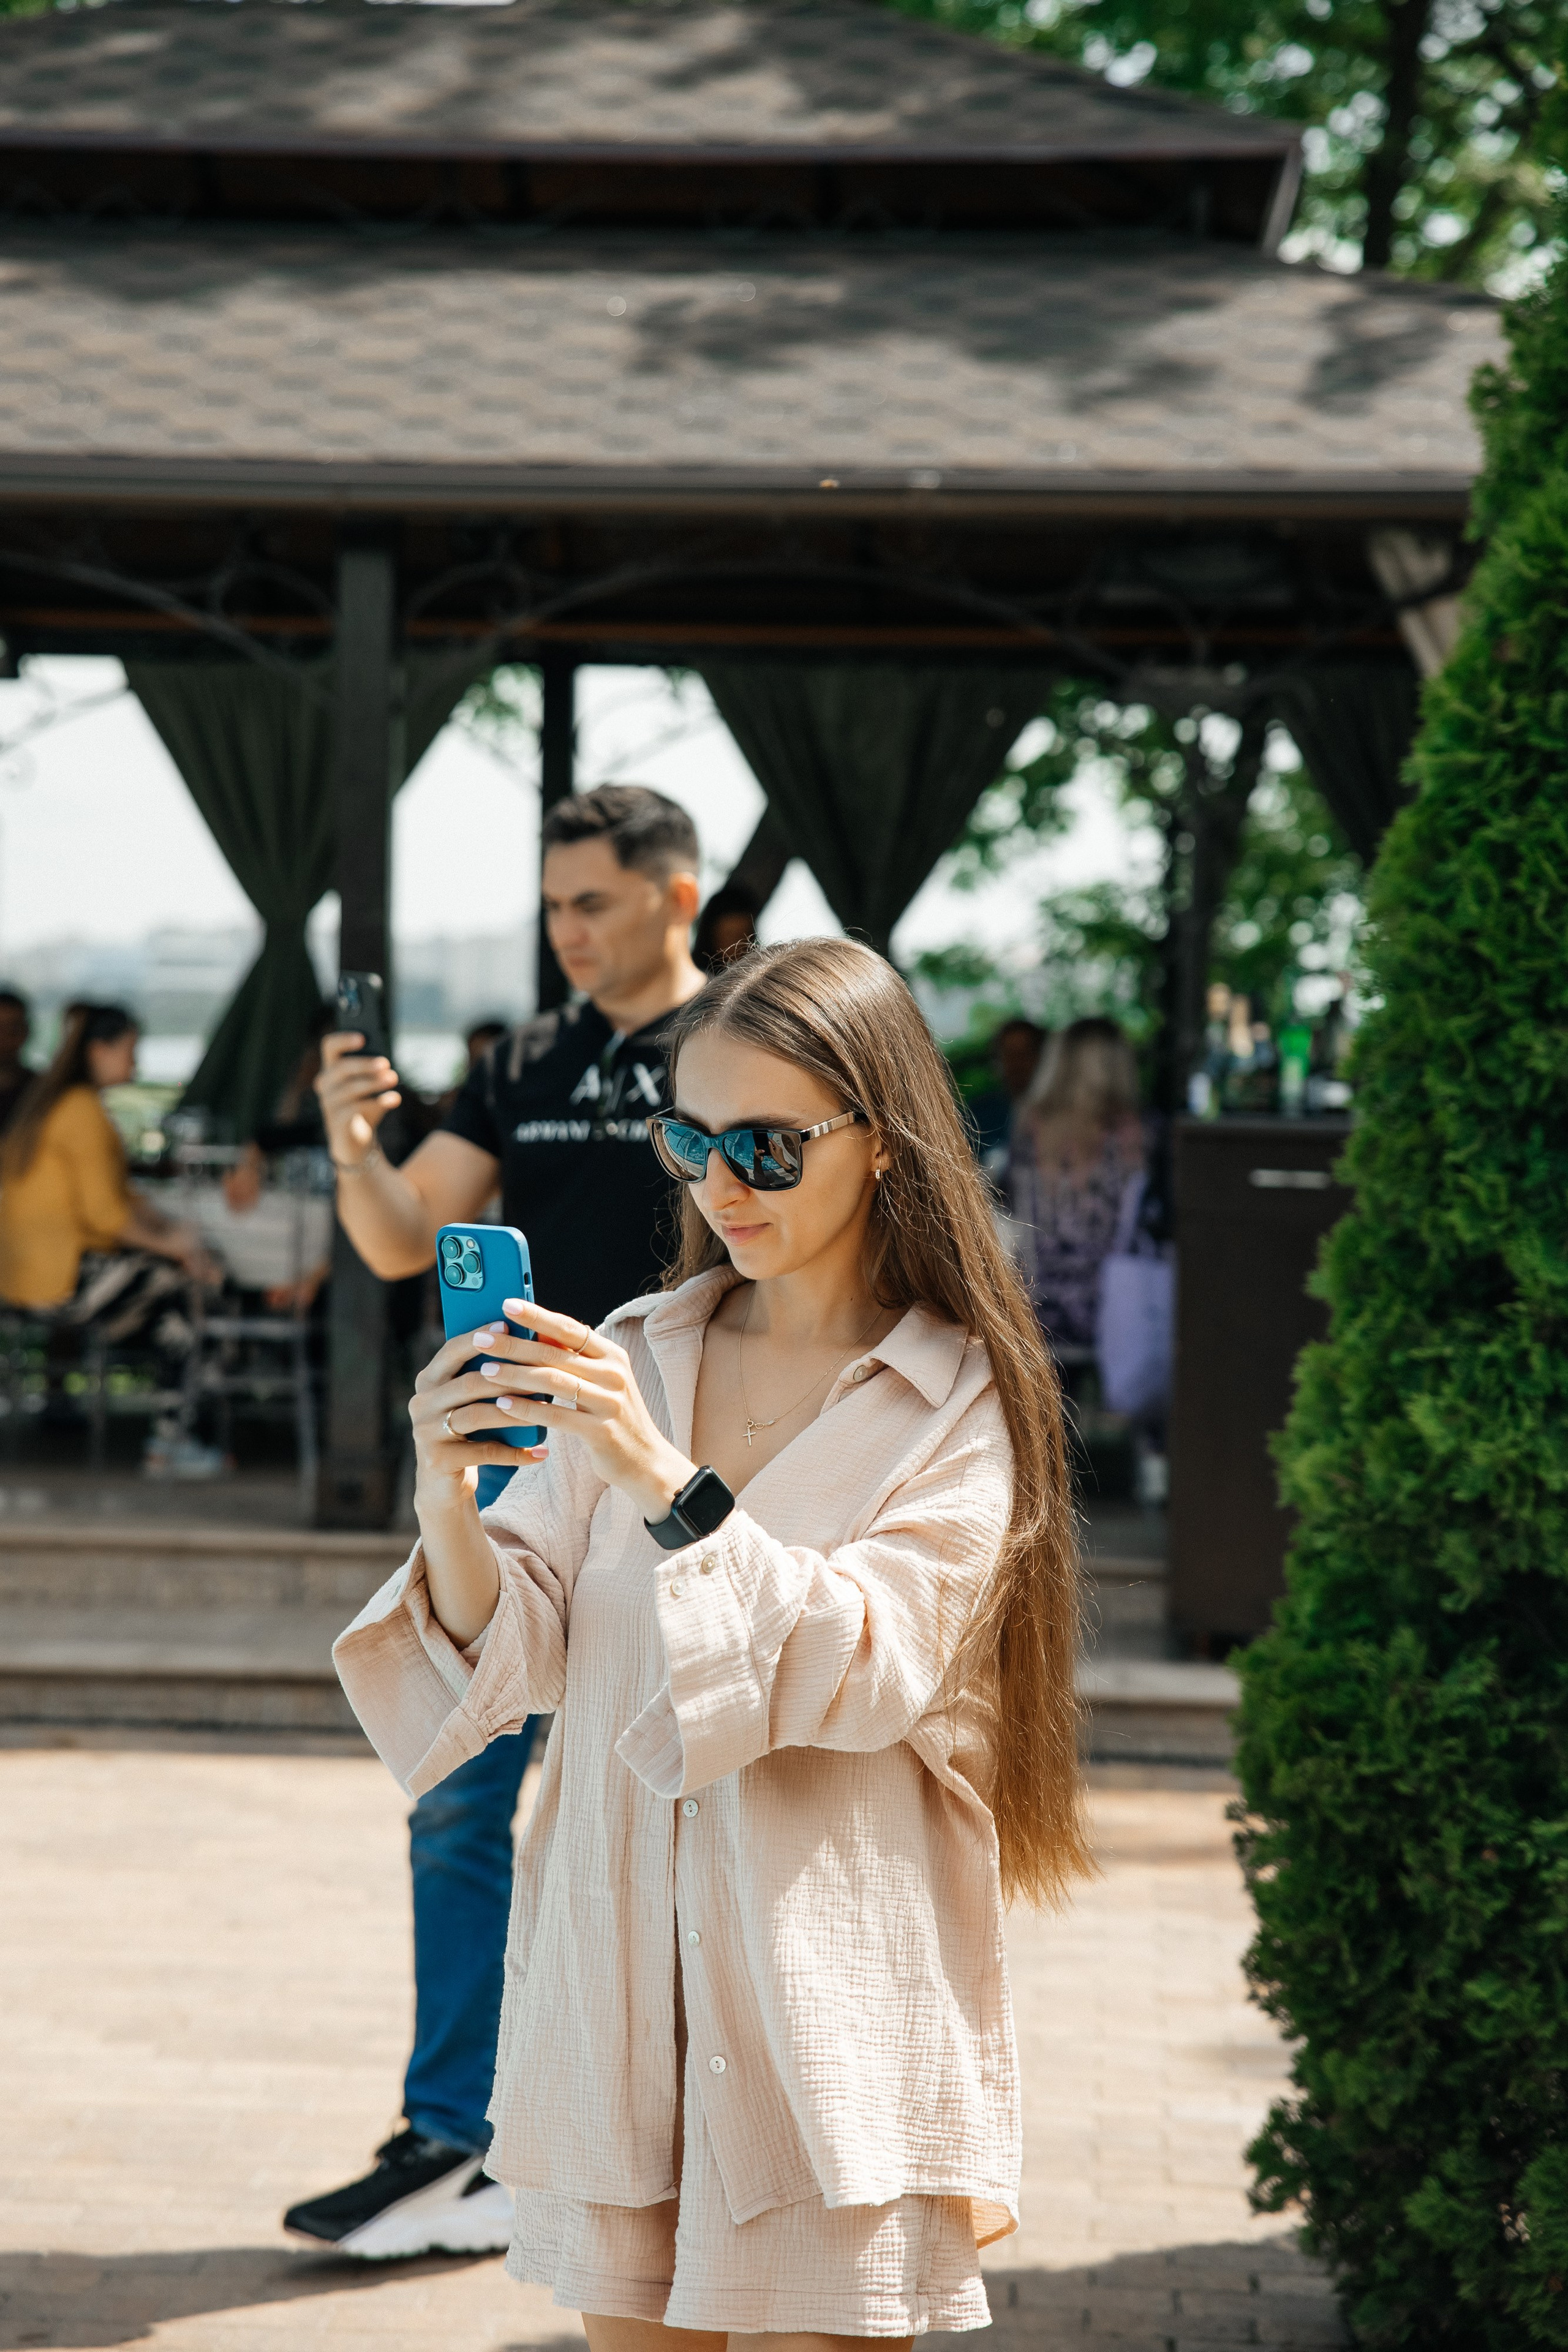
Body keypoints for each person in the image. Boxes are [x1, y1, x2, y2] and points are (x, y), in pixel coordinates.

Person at [333, 934, 1089, 2343]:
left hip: (828, 2002)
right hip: (613, 1975)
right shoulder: (637, 1350)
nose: (718, 1185)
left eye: (765, 1144)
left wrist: (660, 1481)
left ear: (882, 1142)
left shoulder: (953, 1396)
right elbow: (513, 1645)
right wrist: (447, 1487)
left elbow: (867, 1664)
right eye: (687, 1138)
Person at [289, 783, 707, 2258]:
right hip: (512, 1475)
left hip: (674, 1476)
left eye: (591, 900)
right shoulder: (525, 1055)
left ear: (676, 893)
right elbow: (407, 1232)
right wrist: (355, 1151)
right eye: (550, 905)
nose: (566, 931)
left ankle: (664, 2136)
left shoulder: (738, 1050)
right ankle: (454, 2139)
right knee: (461, 1794)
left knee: (672, 1810)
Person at [0, 1001, 217, 1329]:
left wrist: (169, 1233)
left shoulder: (62, 1101)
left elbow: (117, 1194)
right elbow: (106, 1215)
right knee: (188, 1289)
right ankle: (202, 1376)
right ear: (99, 1050)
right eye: (130, 1051)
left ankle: (184, 1372)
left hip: (26, 1269)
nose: (135, 1063)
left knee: (175, 1282)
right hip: (54, 1275)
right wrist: (173, 1245)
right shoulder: (81, 1110)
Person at [1006, 1016, 1146, 1360]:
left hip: (1036, 1305)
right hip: (1114, 1308)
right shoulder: (1134, 1132)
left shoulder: (1030, 1123)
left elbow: (1013, 1208)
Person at [692, 881, 760, 975]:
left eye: (746, 936)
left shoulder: (757, 978)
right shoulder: (694, 980)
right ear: (711, 934)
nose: (738, 945)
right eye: (731, 936)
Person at [0, 989, 34, 1136]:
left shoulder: (39, 1089)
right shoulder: (42, 1088)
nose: (4, 1039)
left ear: (26, 1032)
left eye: (13, 1030)